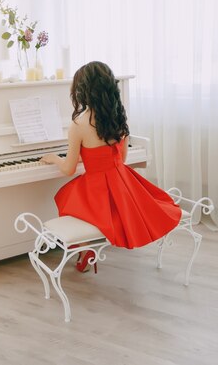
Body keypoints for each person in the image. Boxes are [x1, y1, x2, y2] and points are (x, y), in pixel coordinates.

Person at [41, 61, 182, 272]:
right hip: (122, 181)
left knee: (64, 197)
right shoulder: (117, 115)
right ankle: (90, 243)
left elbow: (68, 169)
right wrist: (90, 156)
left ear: (83, 90)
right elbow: (121, 158)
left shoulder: (79, 124)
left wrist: (54, 158)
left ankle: (85, 245)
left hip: (97, 186)